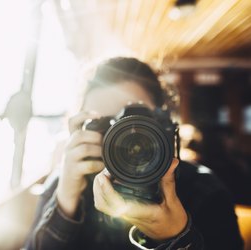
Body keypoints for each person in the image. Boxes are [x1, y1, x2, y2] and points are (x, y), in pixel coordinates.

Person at [24, 57, 243, 250]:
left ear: (163, 124)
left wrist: (176, 238)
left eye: (137, 122)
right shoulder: (66, 182)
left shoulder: (206, 191)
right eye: (107, 124)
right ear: (83, 128)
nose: (124, 136)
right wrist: (65, 201)